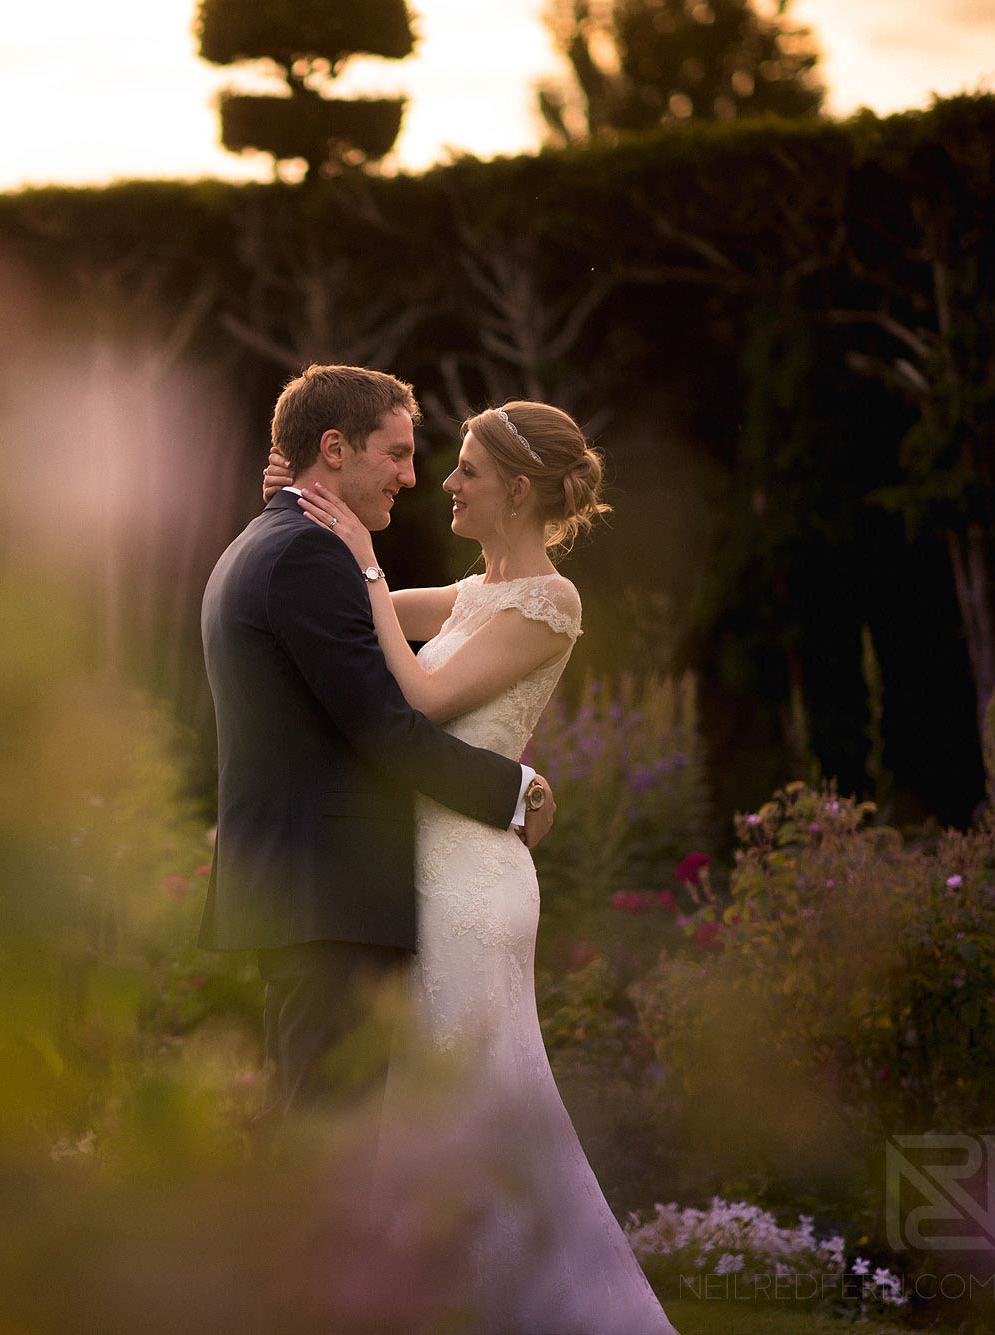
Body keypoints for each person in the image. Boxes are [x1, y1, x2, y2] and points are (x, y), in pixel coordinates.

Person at [264, 398, 678, 1334]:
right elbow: (349, 612)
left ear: (519, 489)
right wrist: (302, 508)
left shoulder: (548, 600)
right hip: (429, 866)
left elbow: (415, 694)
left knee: (463, 1102)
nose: (444, 483)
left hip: (469, 884)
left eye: (467, 471)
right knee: (419, 1100)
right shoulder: (473, 590)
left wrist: (364, 558)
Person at [198, 366, 557, 1154]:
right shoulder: (305, 558)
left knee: (322, 1139)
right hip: (331, 894)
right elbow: (387, 727)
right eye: (395, 453)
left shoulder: (278, 543)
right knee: (330, 1150)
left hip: (316, 894)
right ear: (334, 448)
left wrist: (315, 521)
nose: (413, 475)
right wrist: (515, 789)